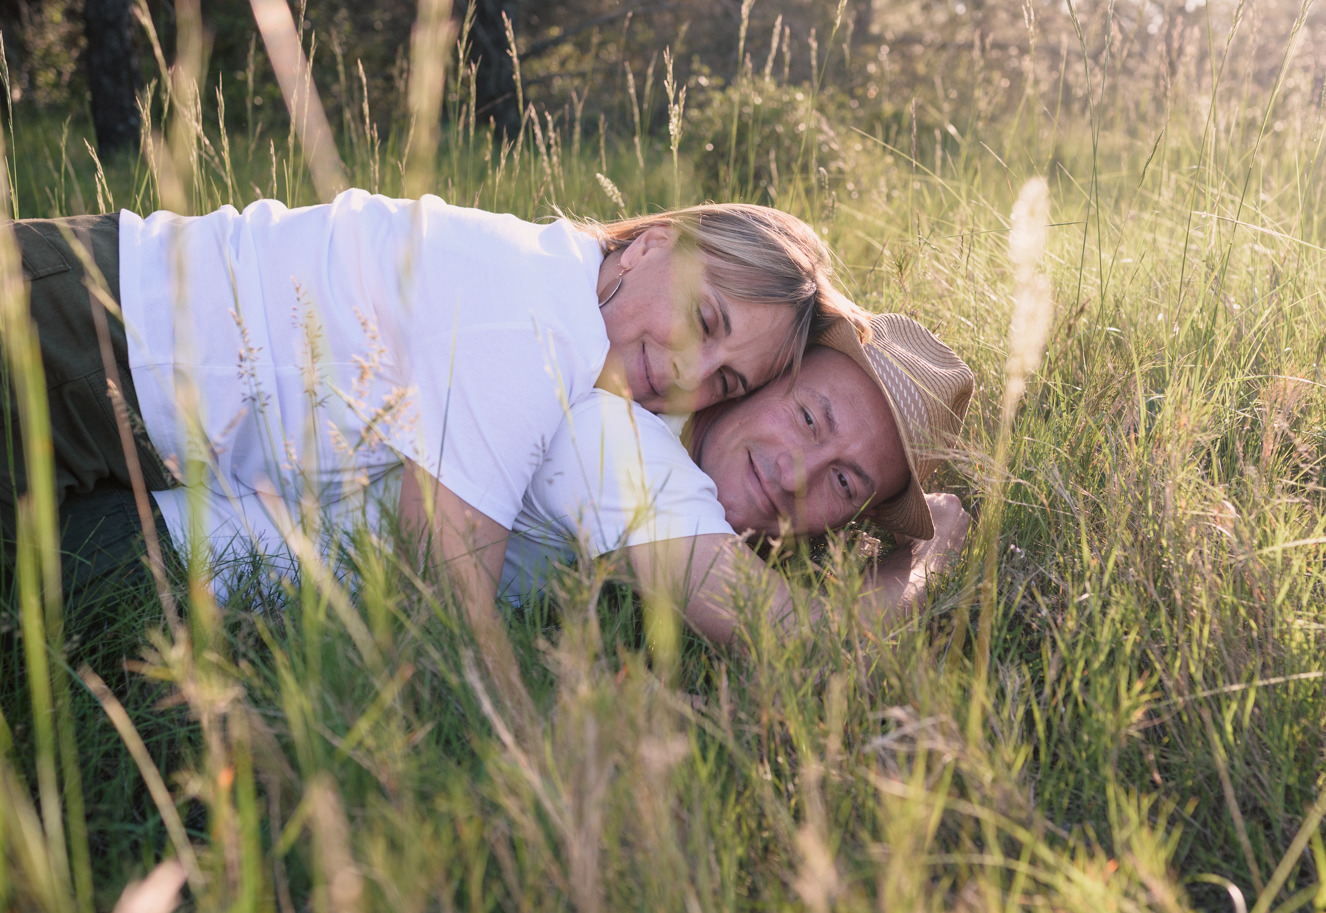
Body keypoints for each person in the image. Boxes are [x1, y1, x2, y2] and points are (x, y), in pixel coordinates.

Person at [0, 192, 844, 630]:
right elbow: (442, 607)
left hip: (111, 407)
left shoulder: (558, 301)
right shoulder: (538, 314)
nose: (694, 376)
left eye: (729, 383)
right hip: (65, 334)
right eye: (707, 321)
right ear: (657, 241)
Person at [181, 311, 975, 644]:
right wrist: (933, 547)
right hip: (152, 561)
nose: (797, 477)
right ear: (768, 375)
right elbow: (788, 637)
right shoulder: (618, 435)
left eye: (843, 484)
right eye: (810, 419)